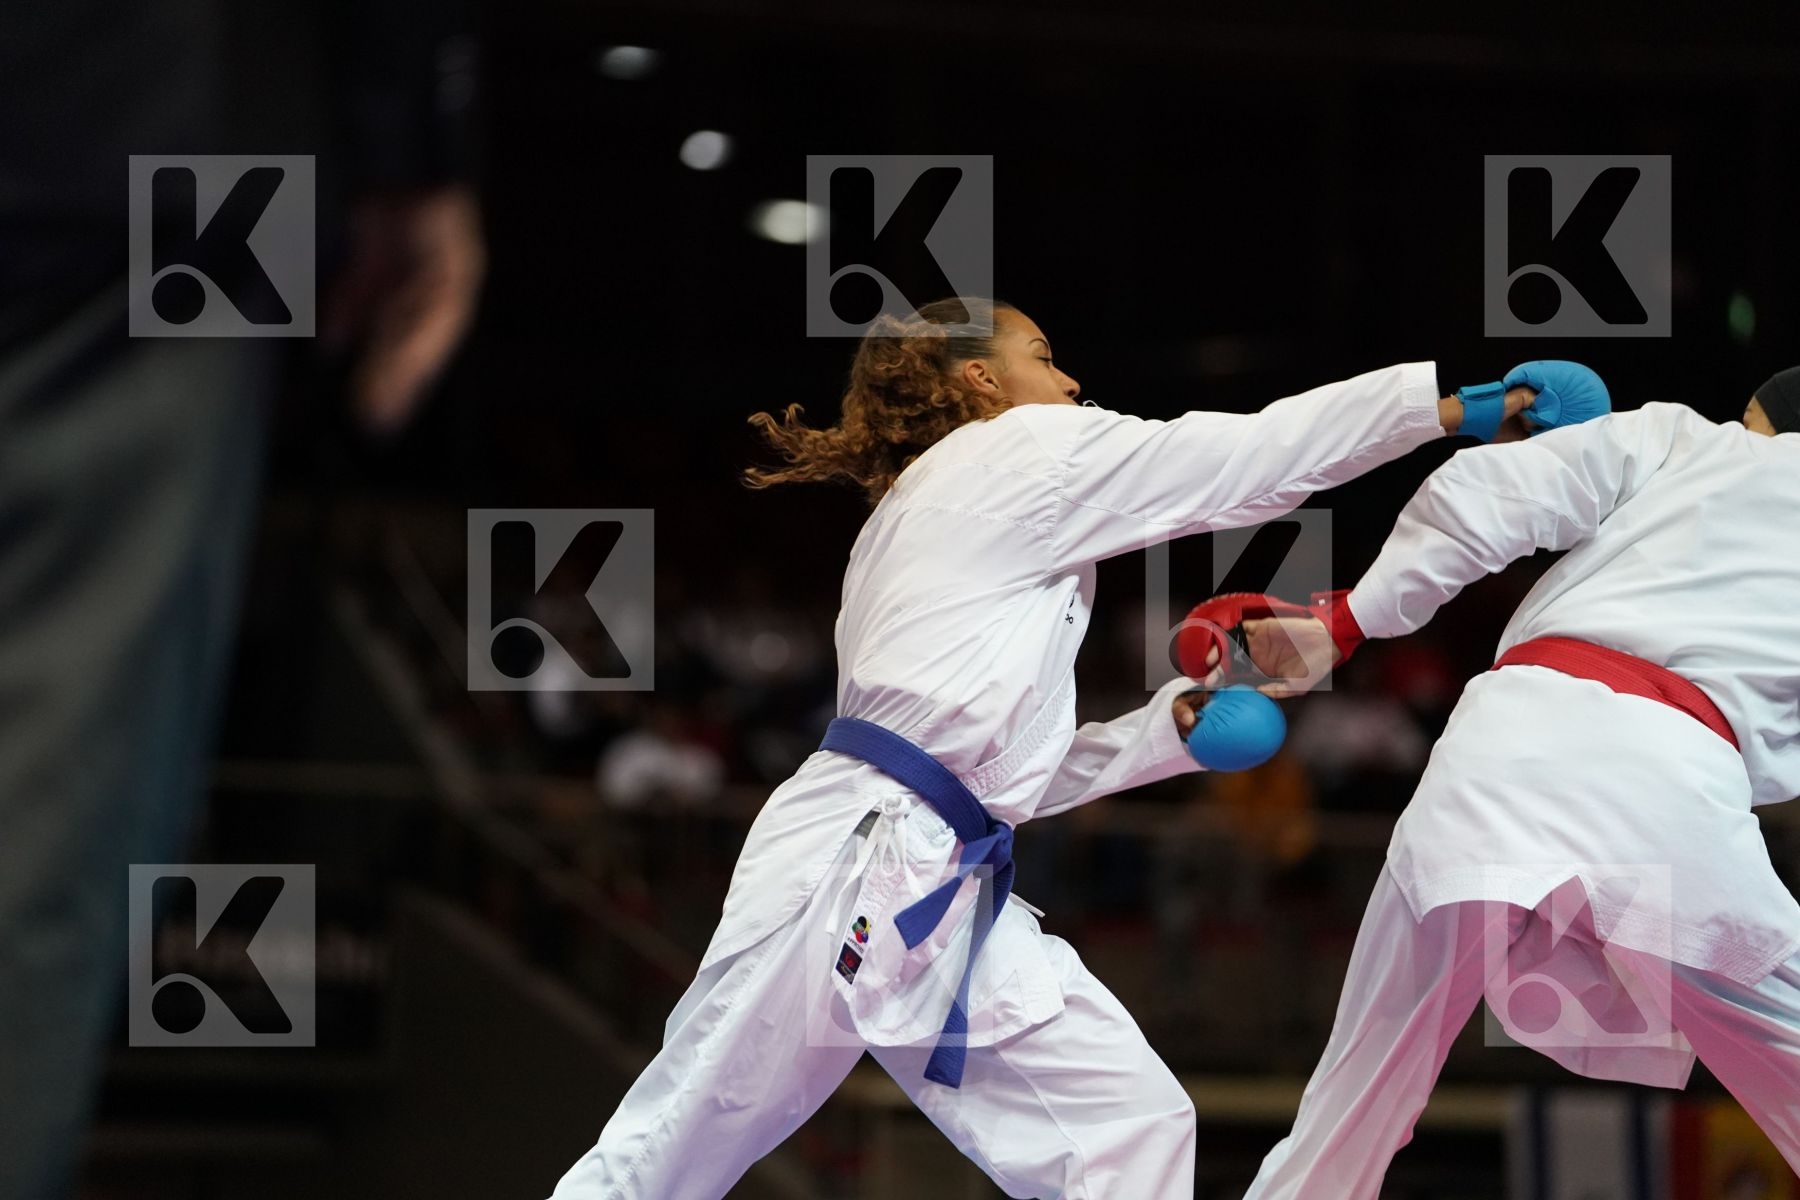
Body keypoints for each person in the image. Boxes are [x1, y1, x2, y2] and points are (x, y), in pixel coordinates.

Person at [546, 294, 1574, 1199]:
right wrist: (1447, 410)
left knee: (1126, 1130)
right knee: (671, 1148)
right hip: (855, 859)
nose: (1073, 376)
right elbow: (1250, 458)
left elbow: (985, 777)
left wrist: (1162, 734)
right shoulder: (1014, 455)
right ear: (983, 377)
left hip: (938, 870)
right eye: (1044, 353)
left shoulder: (937, 519)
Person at [1232, 368, 1800, 1196]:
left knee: (1356, 1101)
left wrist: (1350, 620)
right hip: (1673, 787)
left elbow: (1491, 493)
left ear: (1760, 421)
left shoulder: (1684, 437)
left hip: (1508, 744)